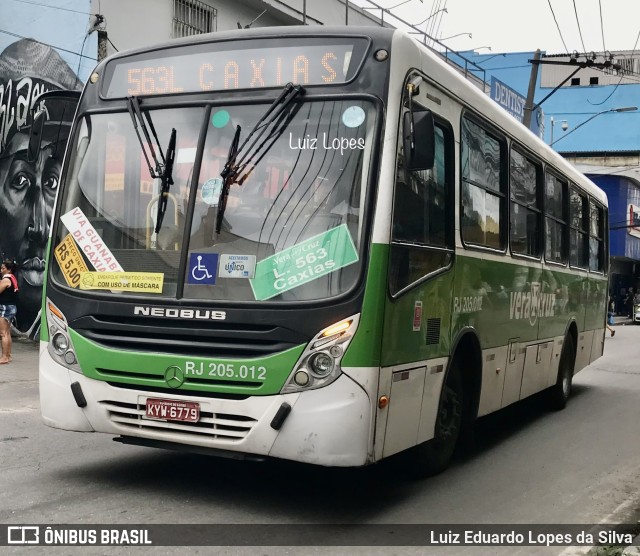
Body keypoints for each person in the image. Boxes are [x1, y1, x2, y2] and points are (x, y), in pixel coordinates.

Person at [0, 260, 19, 364]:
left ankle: (4, 357)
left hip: (4, 308)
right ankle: (8, 355)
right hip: (11, 307)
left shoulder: (6, 279)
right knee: (7, 333)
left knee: (3, 334)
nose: (1, 270)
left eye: (3, 268)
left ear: (9, 269)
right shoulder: (12, 278)